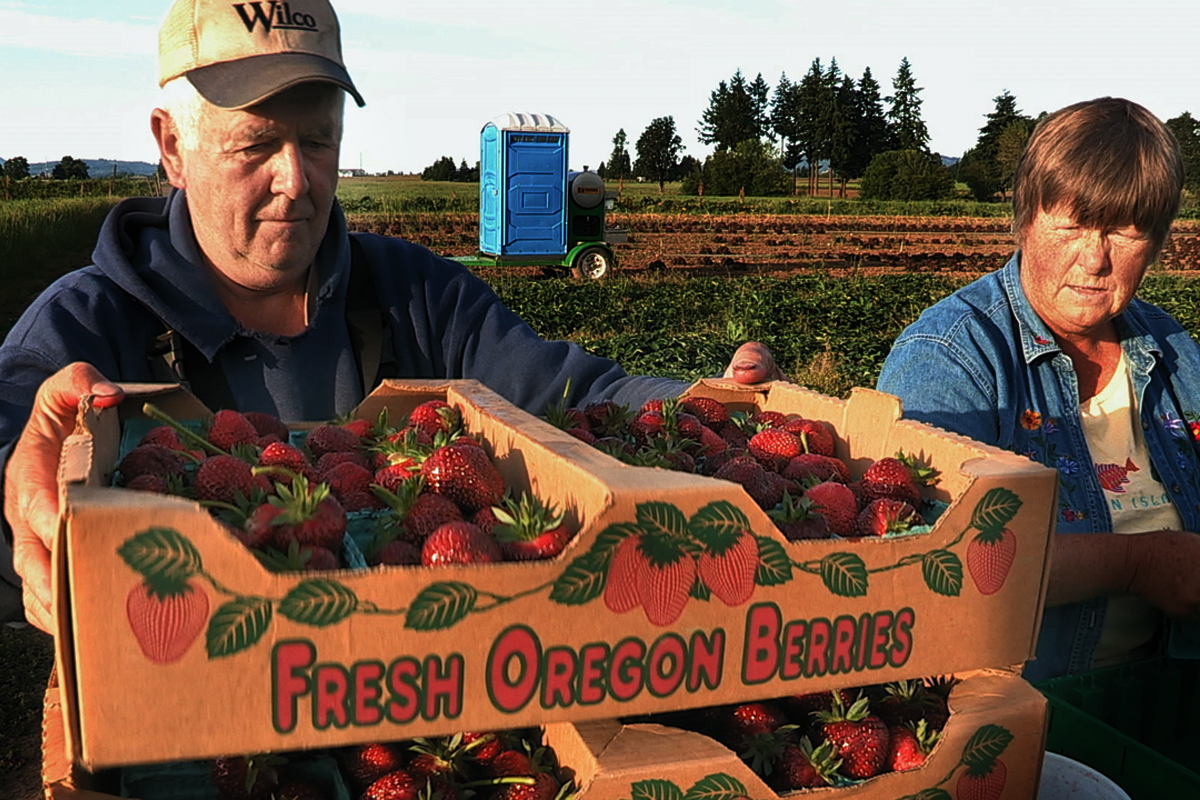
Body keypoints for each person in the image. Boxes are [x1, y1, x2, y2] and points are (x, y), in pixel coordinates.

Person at [0, 0, 782, 634]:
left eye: (318, 140)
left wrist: (706, 405)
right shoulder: (88, 327)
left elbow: (573, 395)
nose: (296, 181)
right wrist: (19, 487)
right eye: (256, 145)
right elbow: (18, 443)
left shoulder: (414, 295)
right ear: (170, 147)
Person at [877, 96, 1200, 682]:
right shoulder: (952, 357)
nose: (1095, 258)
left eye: (1125, 230)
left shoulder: (1170, 348)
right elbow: (930, 555)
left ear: (1155, 242)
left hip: (1162, 697)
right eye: (1072, 224)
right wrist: (1139, 565)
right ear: (1025, 220)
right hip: (1019, 712)